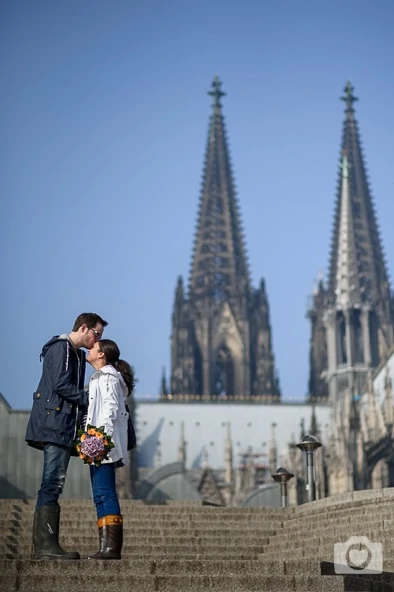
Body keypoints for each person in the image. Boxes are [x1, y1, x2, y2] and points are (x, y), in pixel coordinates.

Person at [25, 312, 108, 560]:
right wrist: (91, 399)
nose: (97, 340)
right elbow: (61, 385)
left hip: (61, 427)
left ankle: (47, 545)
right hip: (55, 427)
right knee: (51, 483)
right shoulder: (63, 348)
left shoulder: (75, 354)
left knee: (54, 484)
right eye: (96, 334)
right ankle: (46, 546)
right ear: (84, 328)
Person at [85, 339, 134, 560]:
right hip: (97, 442)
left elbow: (111, 409)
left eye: (93, 348)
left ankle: (111, 548)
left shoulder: (108, 378)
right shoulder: (102, 377)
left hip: (103, 443)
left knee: (105, 493)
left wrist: (98, 437)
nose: (89, 350)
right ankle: (105, 546)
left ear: (102, 354)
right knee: (99, 495)